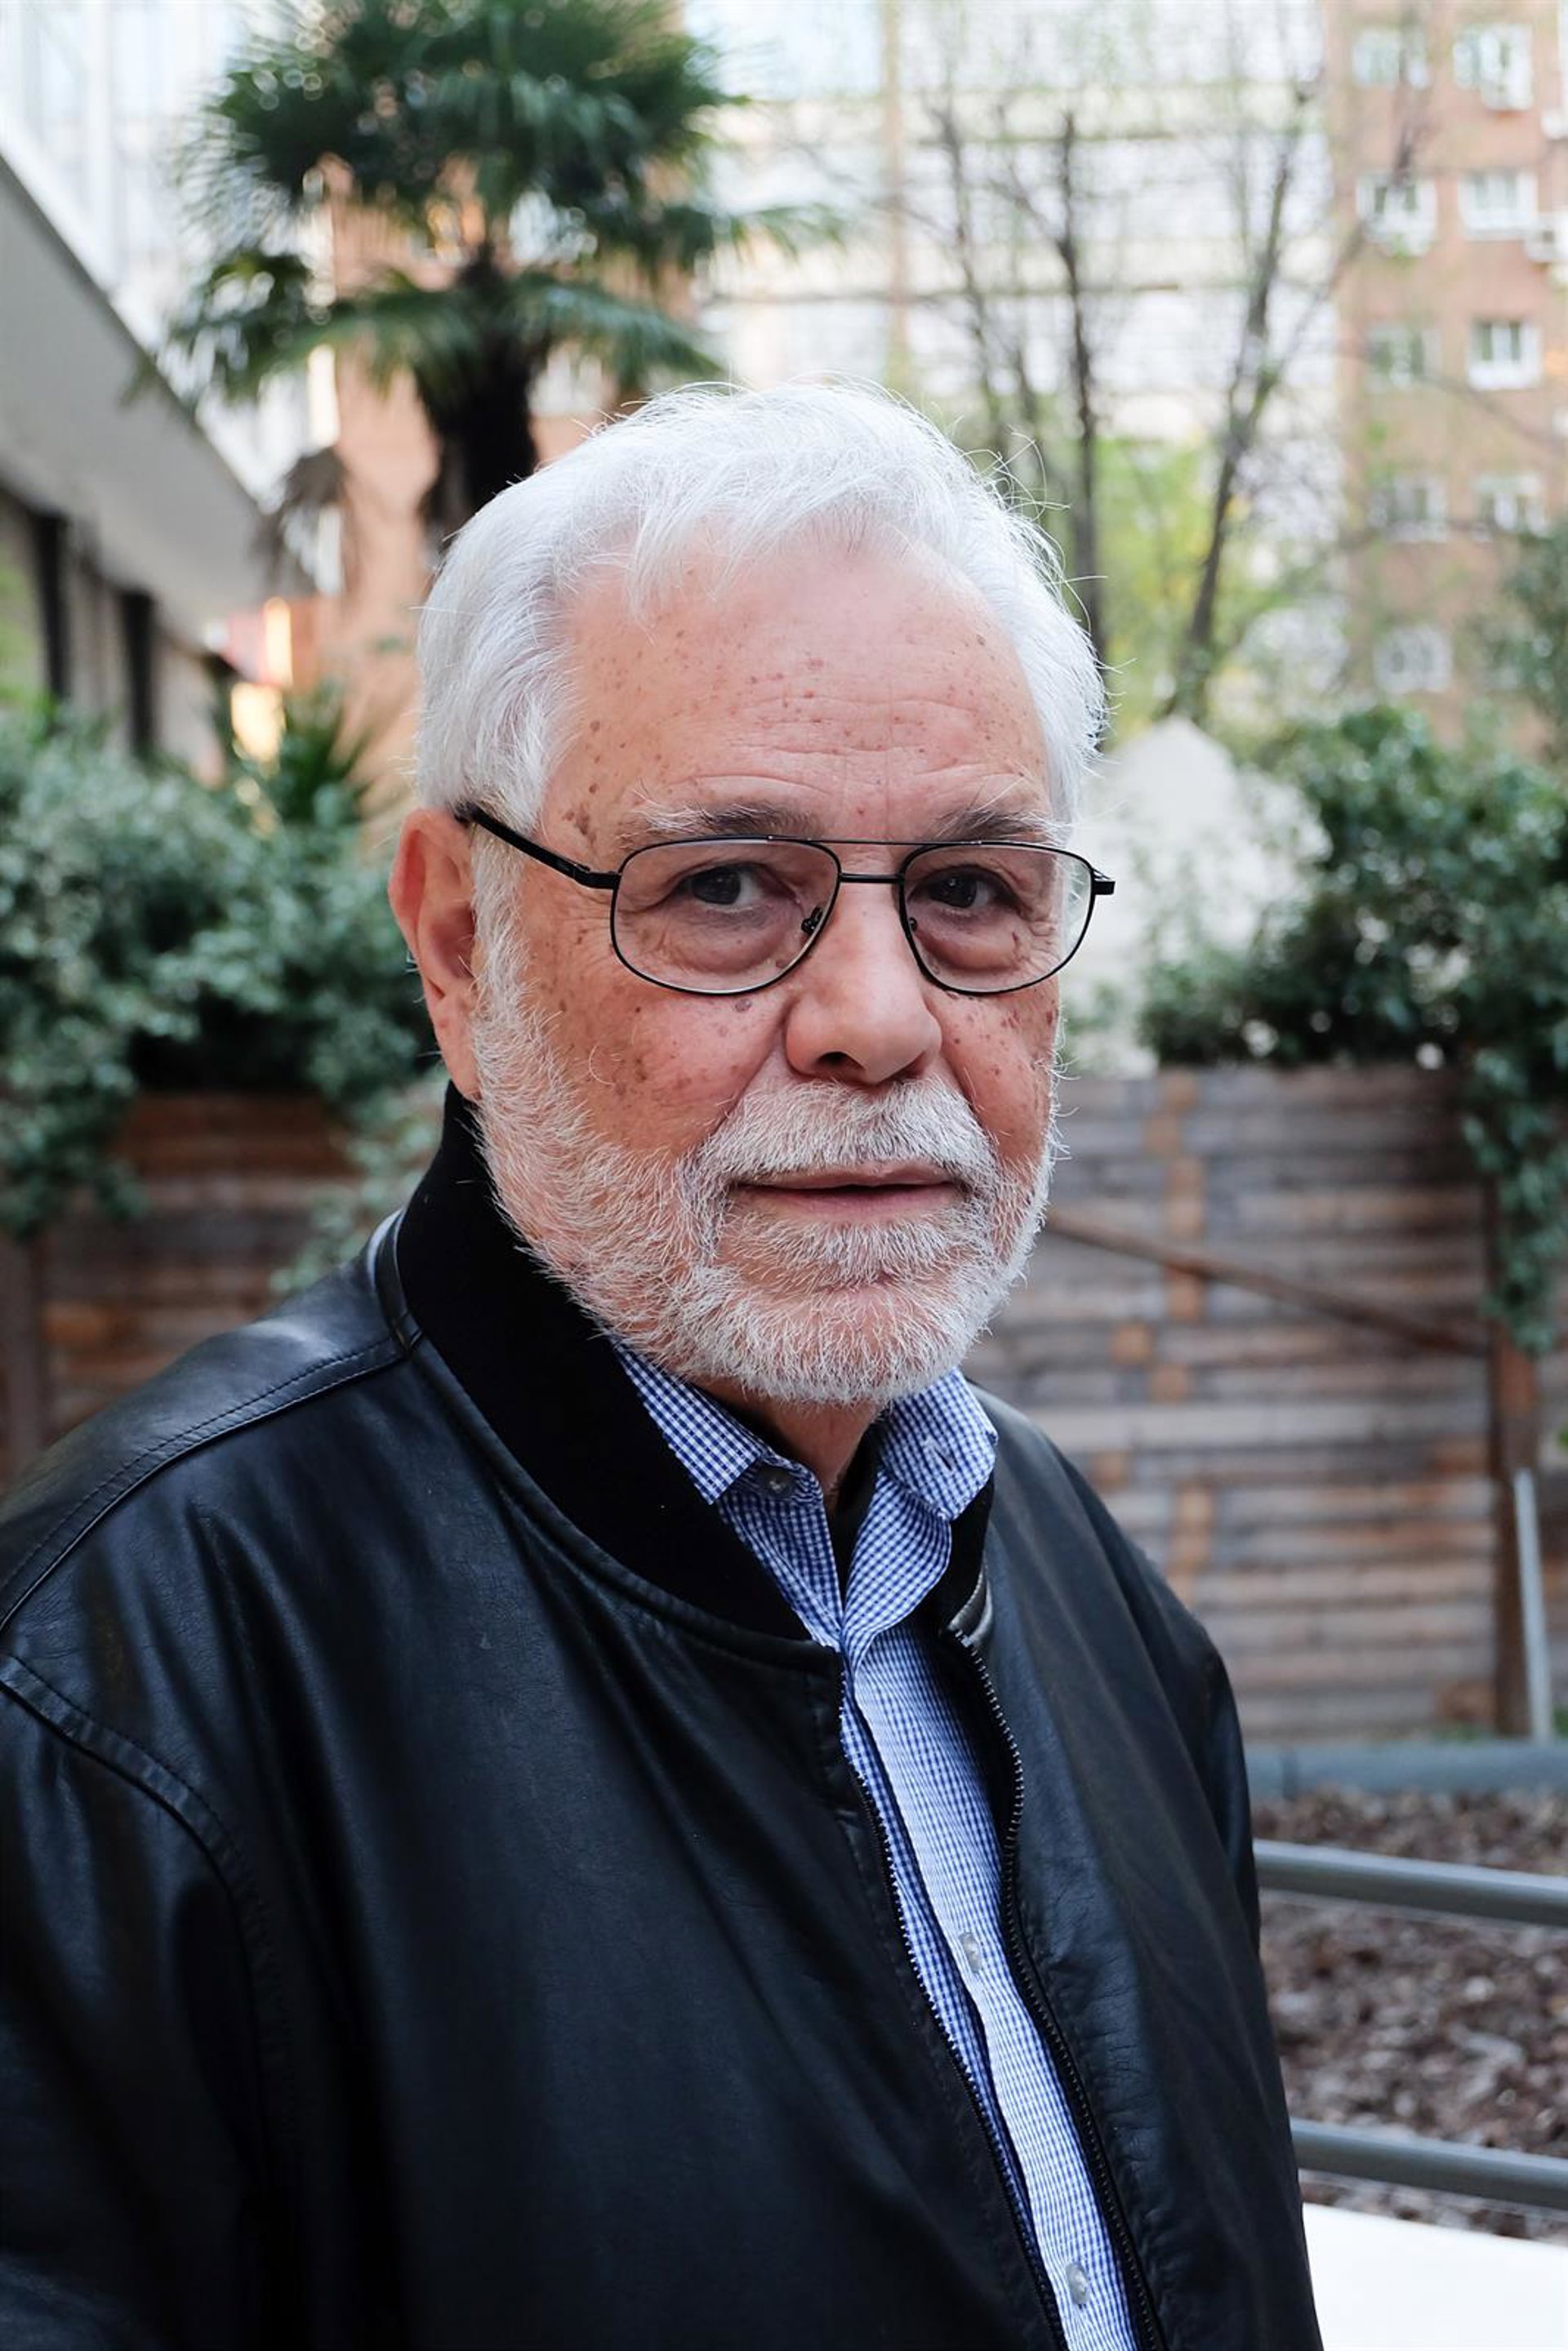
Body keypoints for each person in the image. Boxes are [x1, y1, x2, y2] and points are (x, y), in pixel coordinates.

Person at [0, 383, 1321, 2351]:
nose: (879, 1017)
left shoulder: (1089, 1595)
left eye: (970, 891)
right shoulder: (119, 1682)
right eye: (723, 888)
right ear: (460, 948)